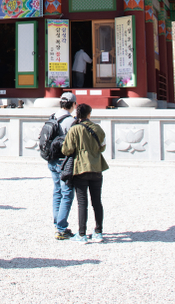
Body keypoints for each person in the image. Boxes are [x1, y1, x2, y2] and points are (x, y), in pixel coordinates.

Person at [61, 103, 107, 244]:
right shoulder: (97, 128)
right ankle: (98, 231)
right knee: (97, 202)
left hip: (80, 168)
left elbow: (66, 150)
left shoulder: (74, 130)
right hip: (96, 167)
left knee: (82, 203)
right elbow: (103, 147)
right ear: (89, 114)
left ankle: (82, 234)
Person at [47, 92, 77, 240]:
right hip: (63, 161)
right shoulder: (70, 121)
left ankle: (57, 222)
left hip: (51, 160)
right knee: (67, 193)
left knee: (57, 190)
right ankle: (61, 228)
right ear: (73, 105)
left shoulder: (52, 117)